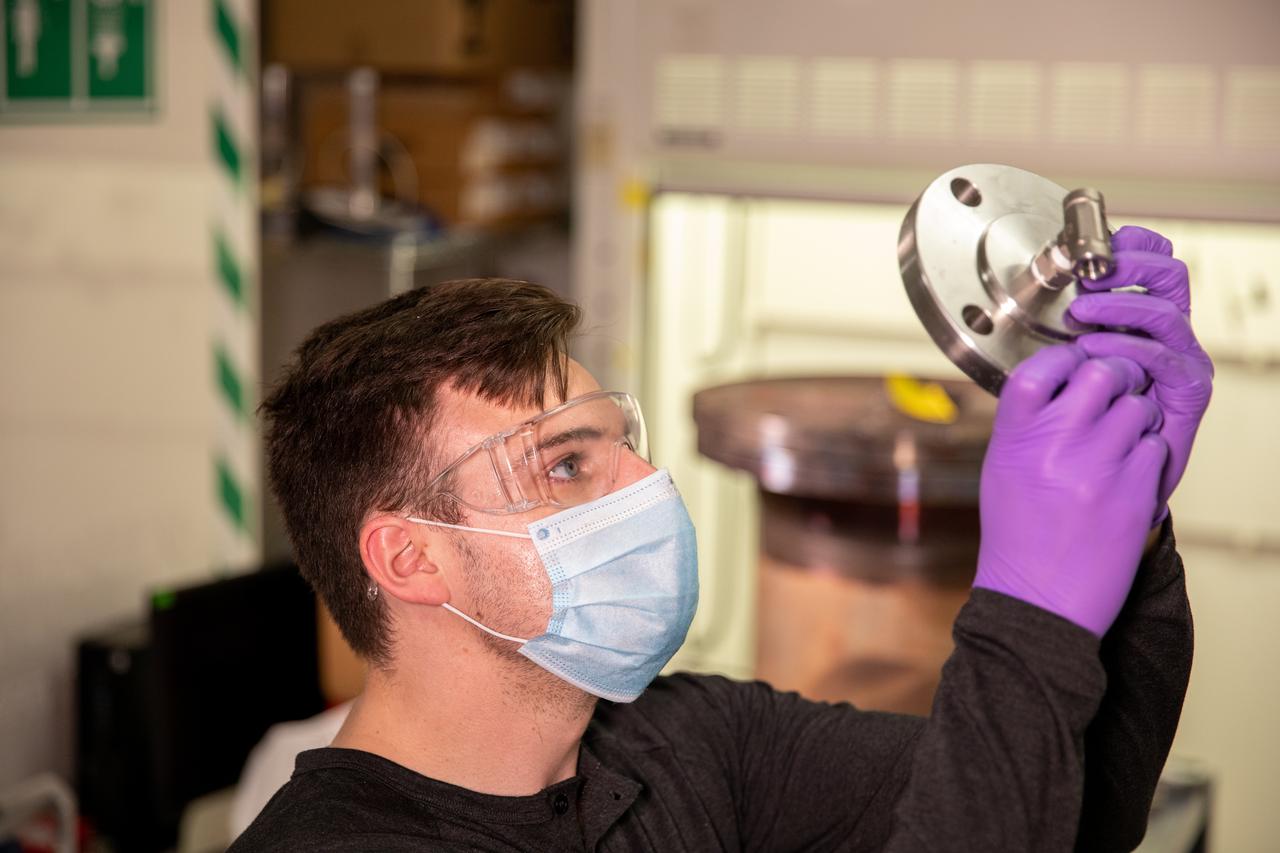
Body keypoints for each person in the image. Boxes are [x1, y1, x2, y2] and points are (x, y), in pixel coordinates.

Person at [230, 225, 1212, 852]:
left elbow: (1065, 813)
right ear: (410, 557)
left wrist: (1125, 523)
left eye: (621, 445)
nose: (645, 487)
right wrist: (1026, 619)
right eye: (565, 463)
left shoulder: (684, 742)